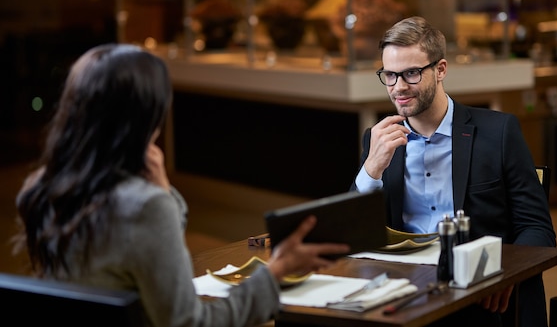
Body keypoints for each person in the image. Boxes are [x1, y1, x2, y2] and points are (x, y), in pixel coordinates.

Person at [13, 43, 349, 327]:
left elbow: (151, 251)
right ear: (147, 115)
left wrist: (161, 190)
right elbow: (189, 322)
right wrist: (274, 276)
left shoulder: (40, 188)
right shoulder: (144, 206)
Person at [350, 16, 556, 327]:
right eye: (390, 75)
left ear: (441, 69)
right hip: (407, 292)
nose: (399, 88)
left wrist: (502, 274)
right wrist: (371, 169)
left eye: (412, 73)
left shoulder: (498, 132)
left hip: (479, 294)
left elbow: (538, 229)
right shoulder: (378, 139)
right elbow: (349, 232)